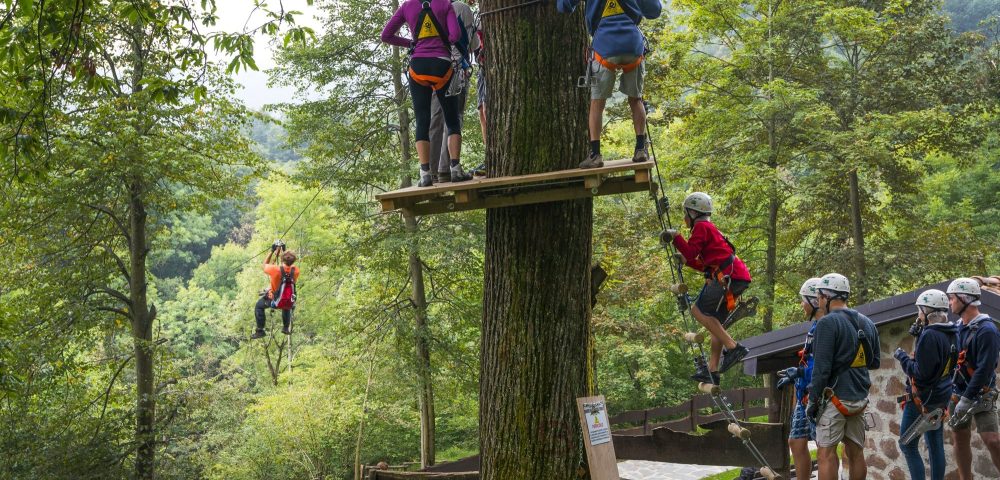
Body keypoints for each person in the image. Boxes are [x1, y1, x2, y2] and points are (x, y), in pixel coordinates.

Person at [557, 0, 662, 168]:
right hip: (632, 46)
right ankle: (640, 149)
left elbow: (564, 6)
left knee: (597, 103)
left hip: (604, 48)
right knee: (636, 100)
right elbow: (654, 11)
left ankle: (595, 155)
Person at [381, 0, 473, 187]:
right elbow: (455, 35)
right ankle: (455, 170)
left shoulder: (407, 5)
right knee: (452, 120)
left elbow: (386, 35)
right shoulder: (445, 4)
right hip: (442, 66)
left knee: (423, 119)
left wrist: (412, 43)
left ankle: (425, 175)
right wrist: (442, 40)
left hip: (418, 67)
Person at [665, 192, 752, 384]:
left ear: (694, 213)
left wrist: (676, 237)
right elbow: (704, 263)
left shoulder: (701, 227)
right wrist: (686, 261)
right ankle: (712, 371)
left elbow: (690, 251)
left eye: (686, 213)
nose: (684, 218)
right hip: (734, 276)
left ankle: (733, 347)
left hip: (726, 277)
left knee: (697, 311)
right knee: (715, 326)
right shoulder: (708, 228)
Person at [806, 273, 880, 480]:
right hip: (858, 399)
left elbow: (821, 370)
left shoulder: (827, 324)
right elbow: (873, 362)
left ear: (826, 297)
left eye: (819, 296)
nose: (819, 302)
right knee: (856, 452)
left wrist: (812, 401)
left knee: (826, 454)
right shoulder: (867, 323)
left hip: (833, 399)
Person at [893, 289, 957, 480]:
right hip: (941, 395)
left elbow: (921, 374)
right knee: (934, 443)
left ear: (928, 312)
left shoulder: (930, 335)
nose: (918, 315)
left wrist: (903, 357)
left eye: (920, 311)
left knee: (907, 444)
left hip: (923, 398)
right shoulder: (952, 332)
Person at [945, 277, 1000, 480]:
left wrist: (967, 399)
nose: (950, 303)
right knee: (959, 439)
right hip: (957, 393)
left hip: (982, 395)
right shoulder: (957, 327)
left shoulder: (987, 330)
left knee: (992, 440)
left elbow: (985, 369)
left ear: (964, 299)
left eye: (952, 298)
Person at [776, 277, 822, 480]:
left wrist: (801, 373)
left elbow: (824, 366)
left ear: (814, 300)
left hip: (817, 395)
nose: (802, 305)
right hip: (804, 392)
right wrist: (796, 373)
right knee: (795, 442)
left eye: (804, 300)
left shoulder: (825, 328)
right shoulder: (815, 327)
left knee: (824, 447)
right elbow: (811, 360)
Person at [428, 0, 478, 183]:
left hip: (434, 69)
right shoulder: (463, 9)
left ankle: (430, 171)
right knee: (454, 119)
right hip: (456, 70)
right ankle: (447, 168)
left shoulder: (428, 8)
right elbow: (472, 43)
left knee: (435, 120)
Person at [251, 243, 300, 339]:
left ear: (282, 259)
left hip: (274, 300)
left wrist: (272, 251)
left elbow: (264, 265)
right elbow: (287, 267)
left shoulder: (275, 269)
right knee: (286, 304)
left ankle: (260, 330)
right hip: (287, 300)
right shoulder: (296, 271)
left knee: (259, 306)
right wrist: (283, 252)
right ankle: (285, 327)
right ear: (293, 261)